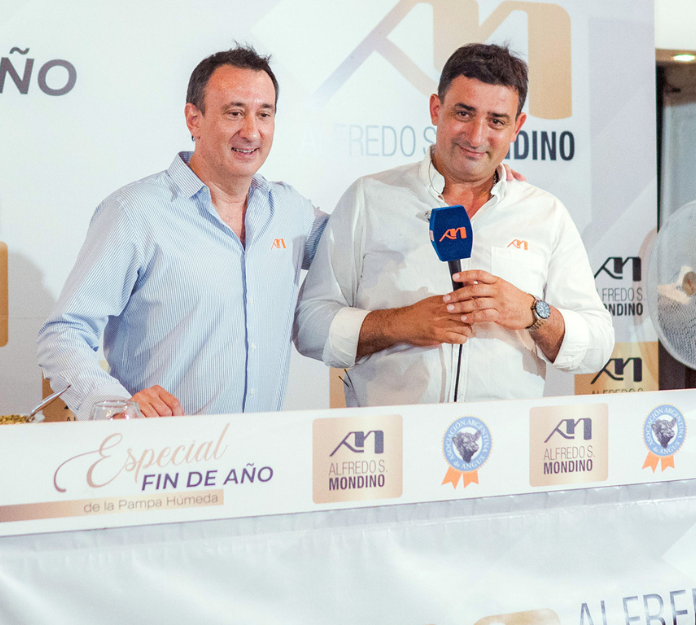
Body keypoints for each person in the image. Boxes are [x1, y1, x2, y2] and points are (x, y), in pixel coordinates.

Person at [294, 43, 613, 406]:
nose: (476, 136)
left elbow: (598, 346)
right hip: (393, 435)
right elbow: (311, 327)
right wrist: (400, 324)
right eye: (464, 113)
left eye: (496, 121)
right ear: (436, 109)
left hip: (505, 434)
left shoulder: (545, 213)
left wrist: (531, 313)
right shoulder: (369, 198)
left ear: (517, 127)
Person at [37, 46, 326, 418]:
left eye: (264, 114)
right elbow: (64, 332)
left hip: (260, 450)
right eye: (234, 112)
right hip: (161, 451)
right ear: (194, 119)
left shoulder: (290, 211)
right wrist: (113, 406)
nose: (251, 131)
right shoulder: (134, 213)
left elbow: (363, 245)